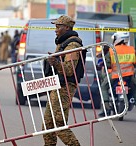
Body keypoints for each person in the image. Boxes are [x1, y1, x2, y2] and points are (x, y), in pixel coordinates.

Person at [43, 15, 86, 146]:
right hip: (57, 85)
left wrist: (55, 62)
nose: (55, 30)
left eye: (58, 26)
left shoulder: (73, 44)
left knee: (58, 124)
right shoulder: (62, 43)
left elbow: (68, 70)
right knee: (48, 125)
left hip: (64, 87)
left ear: (66, 27)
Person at [98, 32, 136, 117]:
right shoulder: (132, 50)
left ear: (118, 39)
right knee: (134, 87)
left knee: (104, 87)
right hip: (129, 76)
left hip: (115, 76)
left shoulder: (112, 50)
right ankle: (133, 100)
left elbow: (107, 64)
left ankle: (106, 108)